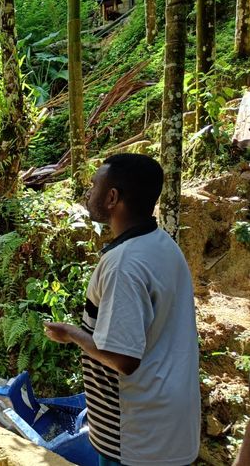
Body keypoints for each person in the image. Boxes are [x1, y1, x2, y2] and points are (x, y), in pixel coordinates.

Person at [44, 154, 200, 466]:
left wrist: (71, 333)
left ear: (112, 197)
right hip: (168, 425)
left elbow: (122, 358)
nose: (89, 194)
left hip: (135, 438)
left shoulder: (124, 264)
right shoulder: (162, 245)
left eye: (93, 187)